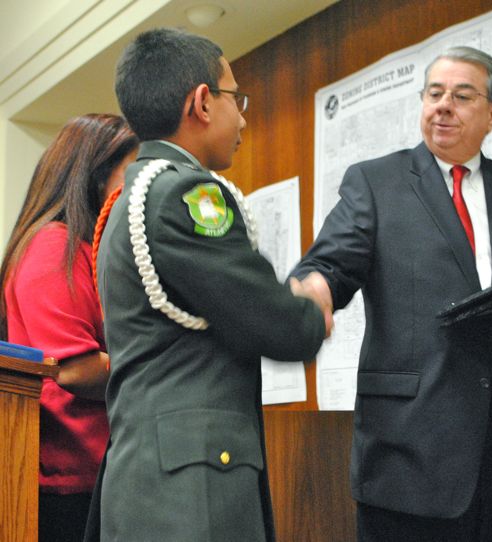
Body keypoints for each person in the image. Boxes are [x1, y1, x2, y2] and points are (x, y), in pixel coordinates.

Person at [291, 46, 492, 541]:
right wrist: (315, 290)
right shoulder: (376, 183)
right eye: (434, 93)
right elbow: (331, 264)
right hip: (410, 453)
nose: (443, 105)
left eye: (461, 95)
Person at [85, 27, 331, 542]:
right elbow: (274, 323)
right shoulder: (186, 194)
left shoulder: (130, 197)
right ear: (201, 102)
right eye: (234, 97)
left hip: (151, 480)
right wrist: (309, 308)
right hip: (191, 489)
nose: (242, 116)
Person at [0, 114, 138, 542]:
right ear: (96, 177)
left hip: (92, 473)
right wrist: (163, 369)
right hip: (69, 479)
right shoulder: (54, 244)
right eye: (131, 175)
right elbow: (75, 367)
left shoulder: (82, 248)